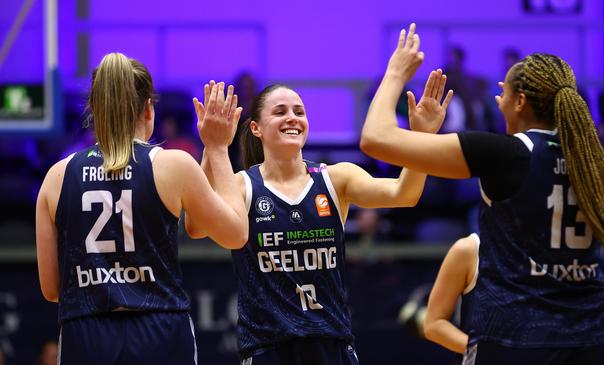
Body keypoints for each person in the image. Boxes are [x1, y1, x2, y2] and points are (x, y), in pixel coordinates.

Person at [361, 23, 604, 364]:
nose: (498, 101)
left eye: (503, 92)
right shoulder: (592, 160)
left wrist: (395, 73)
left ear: (521, 102)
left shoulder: (508, 153)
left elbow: (375, 138)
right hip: (591, 340)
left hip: (517, 339)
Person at [188, 76, 451, 364]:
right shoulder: (241, 185)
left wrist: (422, 137)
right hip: (268, 349)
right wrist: (212, 146)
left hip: (331, 345)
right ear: (256, 128)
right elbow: (196, 227)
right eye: (280, 112)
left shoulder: (336, 178)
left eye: (299, 112)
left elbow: (405, 193)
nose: (292, 118)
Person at [35, 53, 248, 364]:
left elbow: (52, 288)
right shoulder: (172, 165)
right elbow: (236, 233)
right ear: (149, 109)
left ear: (94, 110)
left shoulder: (57, 176)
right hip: (159, 330)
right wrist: (217, 148)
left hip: (86, 332)